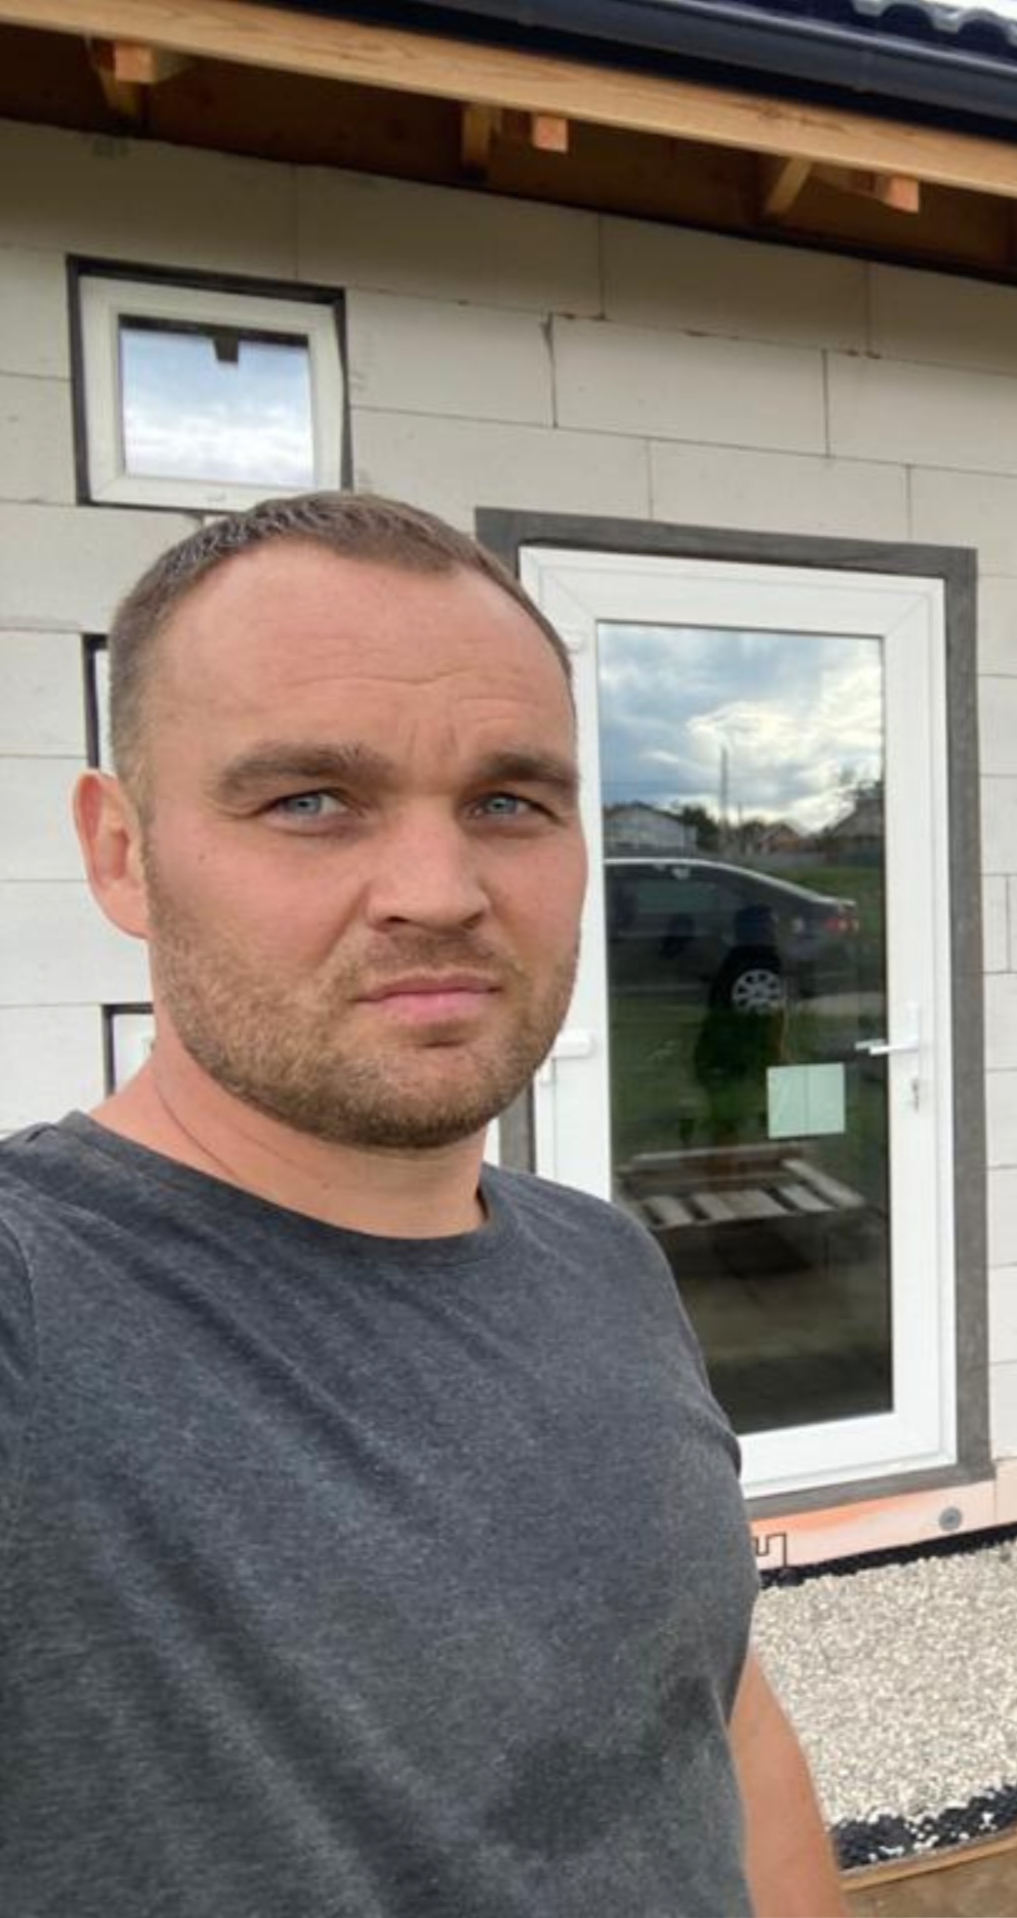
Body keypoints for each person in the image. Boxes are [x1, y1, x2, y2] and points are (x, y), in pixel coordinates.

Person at [0, 494, 847, 1915]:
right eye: (309, 800)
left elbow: (720, 1720)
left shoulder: (604, 1261)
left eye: (508, 802)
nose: (440, 892)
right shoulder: (39, 1307)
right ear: (122, 852)